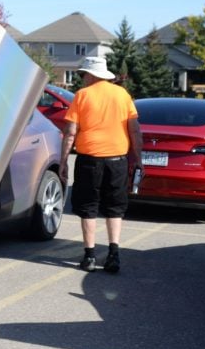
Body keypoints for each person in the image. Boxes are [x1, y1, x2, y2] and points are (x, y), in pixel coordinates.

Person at [58, 55, 142, 273]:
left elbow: (70, 132)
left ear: (91, 74)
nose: (82, 78)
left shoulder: (82, 96)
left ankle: (90, 257)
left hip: (89, 161)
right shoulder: (122, 95)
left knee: (89, 208)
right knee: (114, 207)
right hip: (118, 161)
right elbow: (134, 129)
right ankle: (114, 254)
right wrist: (138, 158)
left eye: (83, 74)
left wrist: (63, 160)